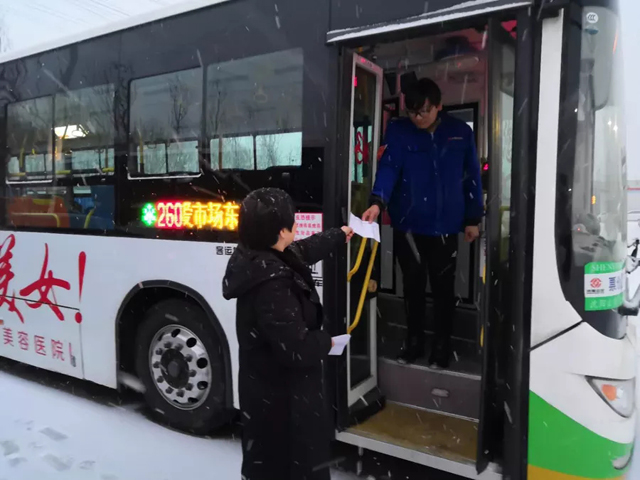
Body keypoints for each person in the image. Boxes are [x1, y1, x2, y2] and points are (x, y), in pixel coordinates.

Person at [222, 188, 353, 480]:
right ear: (281, 231)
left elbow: (305, 249)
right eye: (292, 220)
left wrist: (339, 235)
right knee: (290, 467)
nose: (296, 224)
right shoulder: (273, 286)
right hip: (284, 405)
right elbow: (297, 349)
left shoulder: (262, 256)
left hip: (270, 396)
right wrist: (327, 341)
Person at [362, 77, 484, 368]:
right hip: (409, 227)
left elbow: (471, 176)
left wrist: (473, 218)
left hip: (445, 228)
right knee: (412, 289)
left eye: (423, 111)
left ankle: (442, 346)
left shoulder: (460, 133)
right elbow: (389, 167)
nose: (417, 118)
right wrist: (377, 202)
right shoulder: (399, 131)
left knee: (443, 291)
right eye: (412, 112)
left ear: (439, 106)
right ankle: (413, 341)